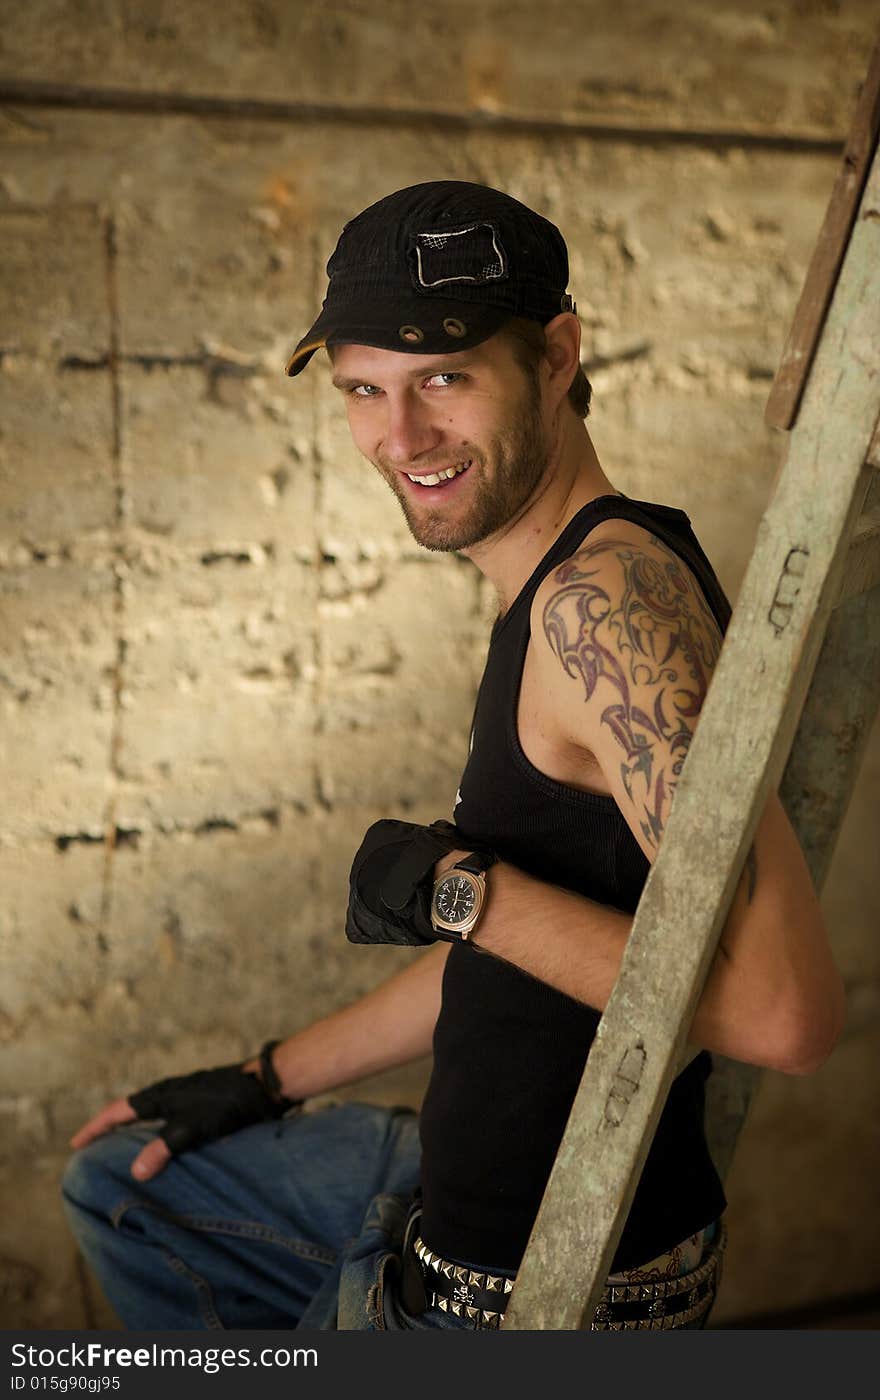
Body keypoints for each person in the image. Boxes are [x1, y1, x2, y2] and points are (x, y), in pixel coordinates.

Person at [62, 181, 845, 1332]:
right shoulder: (553, 587)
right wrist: (265, 1075)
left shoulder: (597, 605)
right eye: (364, 391)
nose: (402, 438)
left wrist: (459, 891)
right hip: (446, 1210)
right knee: (125, 1181)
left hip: (525, 1292)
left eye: (444, 378)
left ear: (557, 357)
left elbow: (784, 1012)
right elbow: (536, 951)